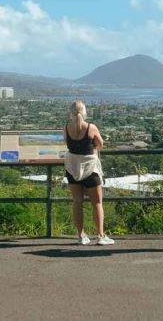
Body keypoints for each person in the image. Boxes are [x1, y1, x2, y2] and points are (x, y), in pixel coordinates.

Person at [63, 101, 113, 245]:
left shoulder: (66, 128)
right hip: (90, 168)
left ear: (70, 112)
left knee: (77, 202)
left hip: (72, 168)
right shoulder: (91, 127)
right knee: (97, 203)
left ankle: (81, 236)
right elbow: (100, 144)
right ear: (84, 112)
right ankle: (100, 236)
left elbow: (68, 143)